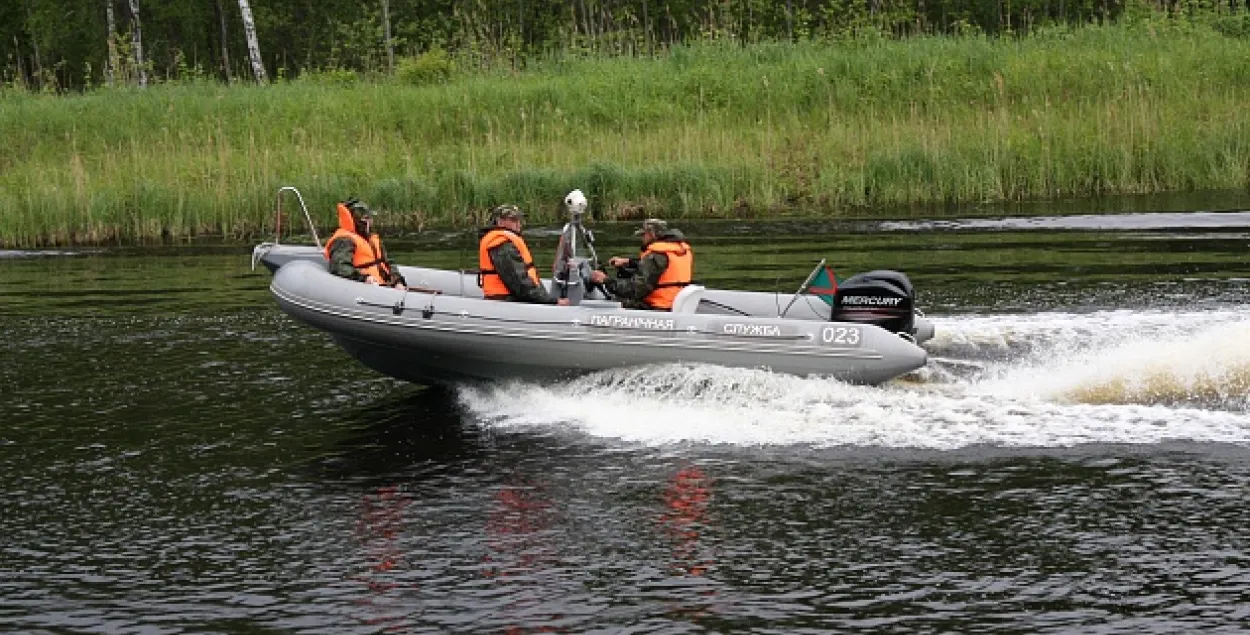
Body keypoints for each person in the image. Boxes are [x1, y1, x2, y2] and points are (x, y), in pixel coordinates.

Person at [590, 218, 693, 310]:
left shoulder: (655, 255)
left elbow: (635, 290)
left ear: (651, 234)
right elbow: (662, 268)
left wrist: (605, 280)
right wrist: (629, 262)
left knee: (613, 302)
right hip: (673, 302)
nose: (642, 238)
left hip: (657, 306)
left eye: (644, 235)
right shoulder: (679, 250)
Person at [478, 204, 569, 305]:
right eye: (513, 220)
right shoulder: (501, 244)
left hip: (511, 298)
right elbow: (518, 282)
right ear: (500, 221)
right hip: (505, 300)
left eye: (519, 220)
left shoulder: (506, 240)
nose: (518, 224)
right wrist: (551, 301)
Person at [324, 198, 406, 289]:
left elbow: (388, 262)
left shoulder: (372, 239)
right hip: (363, 286)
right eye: (366, 219)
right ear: (356, 221)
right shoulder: (344, 240)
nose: (370, 222)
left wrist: (397, 281)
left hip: (382, 284)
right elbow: (340, 267)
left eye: (370, 218)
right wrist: (364, 278)